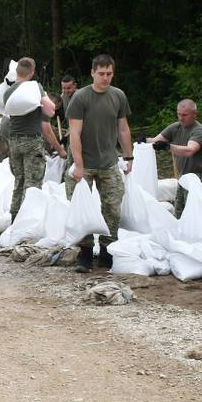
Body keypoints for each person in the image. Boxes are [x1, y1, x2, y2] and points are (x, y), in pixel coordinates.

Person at [66, 53, 134, 273]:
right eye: (102, 74)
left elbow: (123, 128)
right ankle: (85, 253)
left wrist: (129, 156)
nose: (106, 78)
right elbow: (74, 133)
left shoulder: (118, 96)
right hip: (83, 161)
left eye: (110, 74)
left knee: (113, 208)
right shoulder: (80, 98)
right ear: (93, 73)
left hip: (108, 161)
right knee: (81, 209)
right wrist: (78, 165)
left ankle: (107, 251)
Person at [3, 57, 66, 219]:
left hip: (14, 141)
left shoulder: (9, 91)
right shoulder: (35, 87)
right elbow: (51, 110)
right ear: (31, 73)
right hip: (32, 141)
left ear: (17, 71)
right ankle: (28, 221)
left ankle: (14, 219)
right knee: (33, 184)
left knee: (19, 181)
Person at [147, 99, 202, 216]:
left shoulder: (200, 131)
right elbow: (155, 141)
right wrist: (144, 140)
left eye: (184, 115)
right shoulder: (176, 127)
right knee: (180, 212)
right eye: (179, 114)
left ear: (195, 115)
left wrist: (168, 146)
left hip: (199, 178)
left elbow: (190, 150)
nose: (181, 118)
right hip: (183, 176)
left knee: (196, 214)